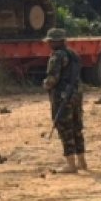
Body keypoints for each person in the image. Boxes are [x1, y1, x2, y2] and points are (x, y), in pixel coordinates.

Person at [42, 28, 86, 174]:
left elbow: (52, 79)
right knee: (77, 128)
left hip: (62, 97)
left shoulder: (57, 56)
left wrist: (45, 85)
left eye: (50, 41)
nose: (49, 44)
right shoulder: (73, 54)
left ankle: (71, 164)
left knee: (65, 129)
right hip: (76, 95)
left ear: (55, 42)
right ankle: (82, 161)